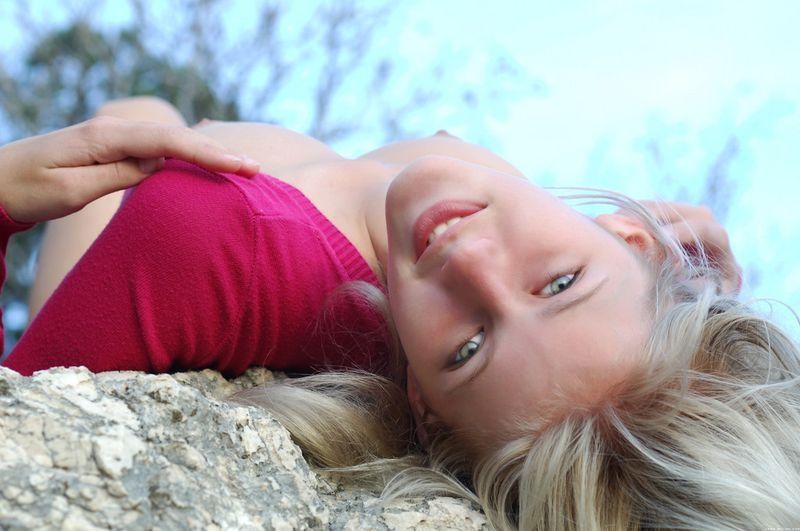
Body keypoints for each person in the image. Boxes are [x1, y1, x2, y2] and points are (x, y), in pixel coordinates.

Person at [1, 97, 798, 529]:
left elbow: (19, 425)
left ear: (419, 400)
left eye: (468, 349)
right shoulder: (528, 213)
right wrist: (664, 248)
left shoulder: (232, 249)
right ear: (632, 241)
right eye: (560, 283)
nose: (468, 258)